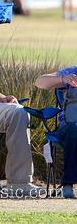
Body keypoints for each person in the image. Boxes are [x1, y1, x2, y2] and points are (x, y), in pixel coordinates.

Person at [35, 66, 77, 198]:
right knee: (74, 129)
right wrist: (63, 79)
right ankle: (68, 184)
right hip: (69, 127)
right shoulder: (73, 72)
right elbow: (39, 82)